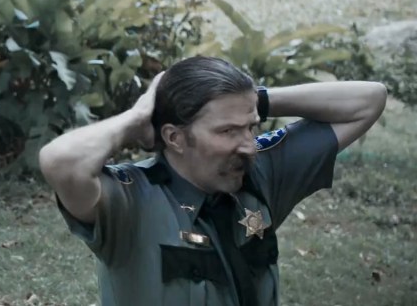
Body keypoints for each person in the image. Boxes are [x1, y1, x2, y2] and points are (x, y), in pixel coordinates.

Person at [38, 56, 387, 306]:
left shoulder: (259, 172)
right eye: (228, 131)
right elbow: (60, 161)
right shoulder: (130, 201)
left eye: (251, 127)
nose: (248, 145)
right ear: (174, 137)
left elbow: (369, 101)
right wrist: (136, 118)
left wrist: (256, 101)